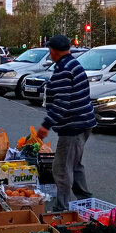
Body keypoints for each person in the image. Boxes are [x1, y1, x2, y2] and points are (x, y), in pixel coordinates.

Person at [36, 34, 96, 211]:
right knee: (74, 164)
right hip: (84, 122)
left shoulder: (63, 70)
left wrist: (46, 125)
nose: (49, 53)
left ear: (54, 52)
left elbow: (62, 103)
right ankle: (85, 200)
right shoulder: (74, 64)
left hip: (73, 125)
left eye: (50, 50)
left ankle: (62, 209)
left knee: (61, 168)